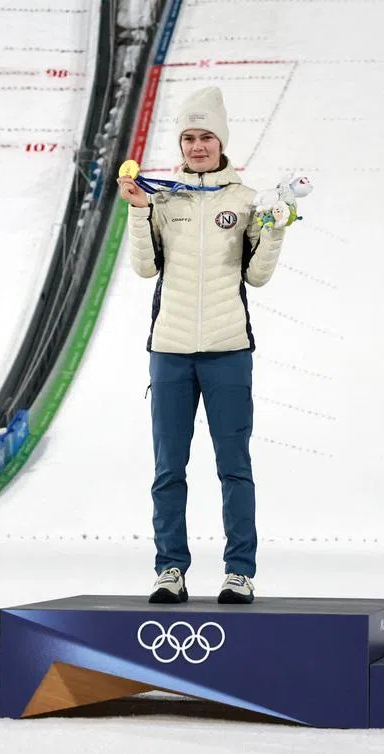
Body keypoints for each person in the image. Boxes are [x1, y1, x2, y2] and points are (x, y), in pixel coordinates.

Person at [118, 87, 287, 605]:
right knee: (169, 467)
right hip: (169, 349)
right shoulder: (163, 195)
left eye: (206, 137)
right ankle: (170, 568)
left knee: (233, 465)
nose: (196, 146)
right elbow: (144, 268)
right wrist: (141, 211)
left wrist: (276, 231)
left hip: (228, 349)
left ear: (222, 142)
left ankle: (239, 571)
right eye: (189, 137)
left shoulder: (245, 200)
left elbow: (256, 276)